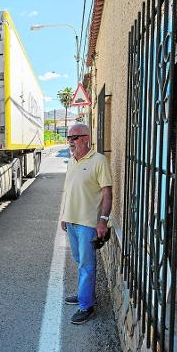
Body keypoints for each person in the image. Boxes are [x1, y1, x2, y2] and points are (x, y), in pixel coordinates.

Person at [60, 123, 112, 325]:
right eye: (69, 138)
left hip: (88, 223)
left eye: (74, 137)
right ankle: (85, 294)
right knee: (79, 259)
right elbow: (69, 190)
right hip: (72, 221)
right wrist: (64, 216)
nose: (70, 142)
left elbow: (107, 194)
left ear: (86, 138)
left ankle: (86, 306)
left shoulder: (99, 161)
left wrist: (103, 220)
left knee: (87, 265)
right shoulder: (72, 160)